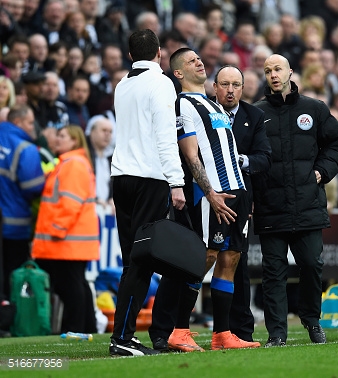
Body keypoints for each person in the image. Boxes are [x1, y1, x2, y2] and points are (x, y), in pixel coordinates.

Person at [149, 50, 260, 352]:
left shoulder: (215, 106)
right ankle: (180, 330)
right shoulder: (183, 104)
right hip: (213, 194)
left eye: (199, 58)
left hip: (237, 192)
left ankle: (221, 333)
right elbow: (190, 154)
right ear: (179, 74)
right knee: (204, 257)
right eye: (191, 61)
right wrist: (210, 193)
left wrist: (245, 196)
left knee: (230, 259)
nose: (199, 62)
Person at [252, 54, 338, 347]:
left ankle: (312, 321)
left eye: (277, 69)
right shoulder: (256, 114)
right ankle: (277, 333)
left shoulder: (314, 109)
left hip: (307, 203)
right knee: (273, 272)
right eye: (268, 70)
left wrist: (322, 171)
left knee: (311, 265)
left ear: (290, 72)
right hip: (271, 206)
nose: (273, 74)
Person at [108, 29, 186, 357]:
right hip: (149, 178)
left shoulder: (122, 85)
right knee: (141, 263)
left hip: (120, 176)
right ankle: (121, 339)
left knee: (133, 261)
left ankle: (124, 334)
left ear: (129, 56)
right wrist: (176, 181)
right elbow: (165, 135)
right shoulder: (162, 83)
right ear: (159, 52)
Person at [212, 65, 272, 343]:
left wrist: (238, 161)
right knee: (201, 260)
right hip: (206, 196)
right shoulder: (204, 112)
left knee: (237, 263)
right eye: (225, 84)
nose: (230, 90)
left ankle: (239, 331)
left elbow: (264, 157)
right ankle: (172, 328)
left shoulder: (254, 115)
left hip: (239, 201)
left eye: (236, 84)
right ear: (215, 87)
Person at [31, 125, 99, 334]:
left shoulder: (72, 164)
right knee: (76, 284)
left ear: (74, 141)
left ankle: (75, 328)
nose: (58, 139)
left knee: (70, 286)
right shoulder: (72, 163)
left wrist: (57, 228)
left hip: (67, 238)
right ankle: (86, 327)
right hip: (72, 239)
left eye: (63, 136)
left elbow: (71, 202)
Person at [0, 104, 45, 299]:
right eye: (29, 122)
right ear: (17, 122)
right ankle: (8, 319)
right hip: (13, 225)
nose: (32, 126)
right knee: (11, 276)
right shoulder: (25, 149)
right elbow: (33, 187)